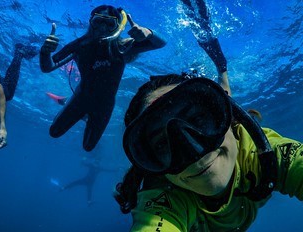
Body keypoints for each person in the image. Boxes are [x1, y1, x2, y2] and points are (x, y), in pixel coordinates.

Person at [113, 1, 301, 231]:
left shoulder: (257, 150)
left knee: (223, 83)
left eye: (199, 121)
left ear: (228, 120)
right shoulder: (164, 196)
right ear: (149, 160)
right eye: (163, 144)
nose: (193, 153)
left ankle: (218, 63)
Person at [40, 5, 167, 151]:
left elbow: (161, 43)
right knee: (54, 132)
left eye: (110, 23)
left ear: (117, 27)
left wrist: (148, 33)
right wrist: (45, 52)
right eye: (98, 21)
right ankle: (69, 103)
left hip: (104, 105)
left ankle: (78, 110)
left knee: (88, 147)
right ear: (91, 22)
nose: (102, 28)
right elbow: (47, 67)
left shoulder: (122, 47)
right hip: (81, 98)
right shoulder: (79, 46)